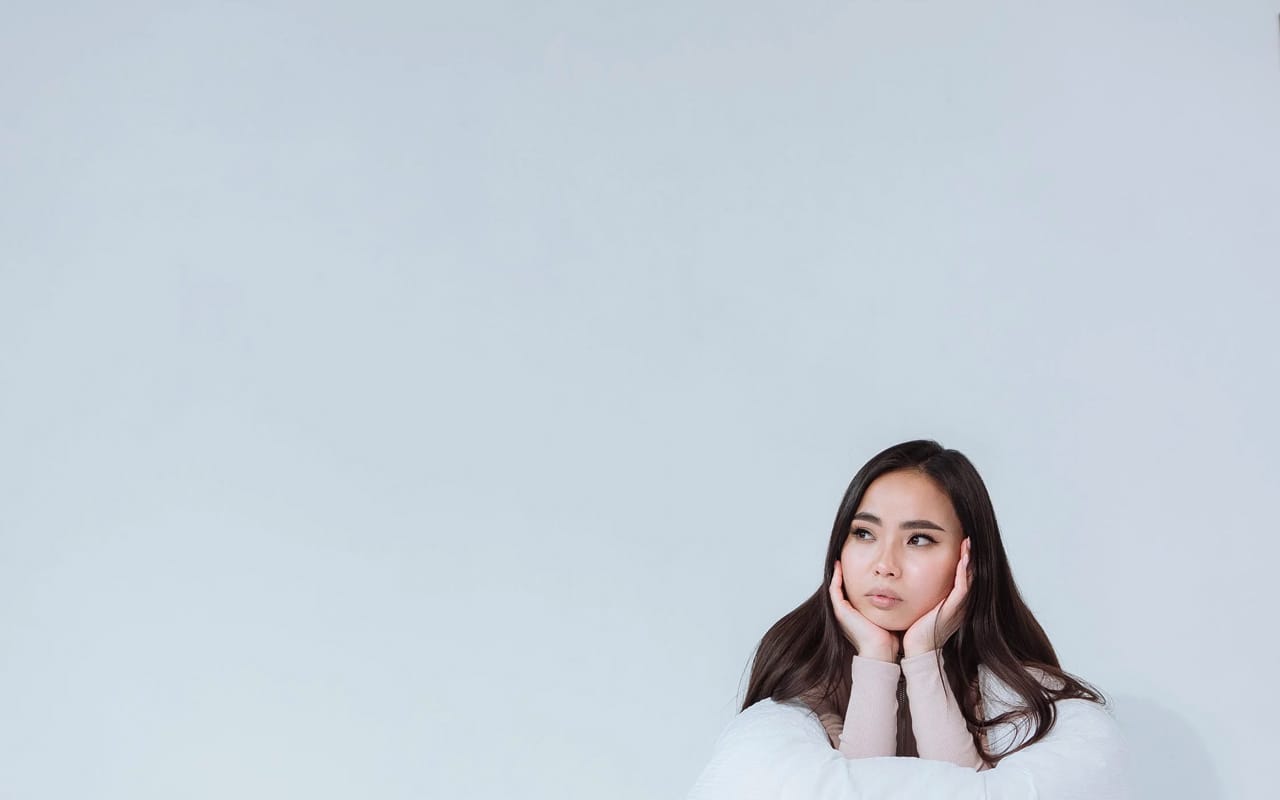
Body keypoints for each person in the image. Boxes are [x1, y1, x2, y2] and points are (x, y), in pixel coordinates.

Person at [686, 440, 1131, 799]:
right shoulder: (802, 663)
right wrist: (876, 658)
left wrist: (924, 655)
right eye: (864, 533)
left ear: (969, 560)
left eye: (918, 539)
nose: (884, 564)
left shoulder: (1014, 692)